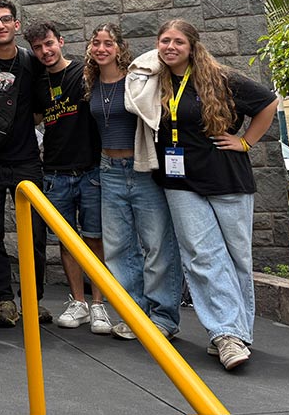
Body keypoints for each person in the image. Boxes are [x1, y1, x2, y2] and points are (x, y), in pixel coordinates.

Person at [130, 19, 277, 370]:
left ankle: (238, 332)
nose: (170, 47)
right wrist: (154, 57)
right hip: (180, 183)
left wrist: (245, 142)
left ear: (193, 45)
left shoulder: (222, 78)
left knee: (236, 257)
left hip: (227, 179)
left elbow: (268, 103)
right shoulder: (156, 82)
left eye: (178, 42)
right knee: (200, 256)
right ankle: (225, 334)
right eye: (164, 41)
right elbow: (135, 78)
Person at [87, 22, 182, 342]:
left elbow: (161, 56)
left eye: (108, 43)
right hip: (108, 171)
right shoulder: (91, 82)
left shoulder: (139, 78)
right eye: (96, 43)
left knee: (157, 245)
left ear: (119, 48)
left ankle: (164, 317)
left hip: (141, 168)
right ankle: (135, 315)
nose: (101, 48)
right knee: (118, 250)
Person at [24, 21, 111, 335]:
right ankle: (78, 302)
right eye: (38, 48)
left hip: (90, 170)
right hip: (55, 172)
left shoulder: (85, 73)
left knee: (93, 238)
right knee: (66, 239)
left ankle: (99, 303)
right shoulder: (38, 84)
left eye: (49, 44)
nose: (45, 51)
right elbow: (33, 119)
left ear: (60, 41)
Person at [0, 0, 50, 327]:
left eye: (5, 20)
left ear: (16, 24)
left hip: (27, 159)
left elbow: (44, 106)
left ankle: (32, 299)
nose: (0, 26)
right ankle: (4, 299)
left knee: (36, 234)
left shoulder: (33, 63)